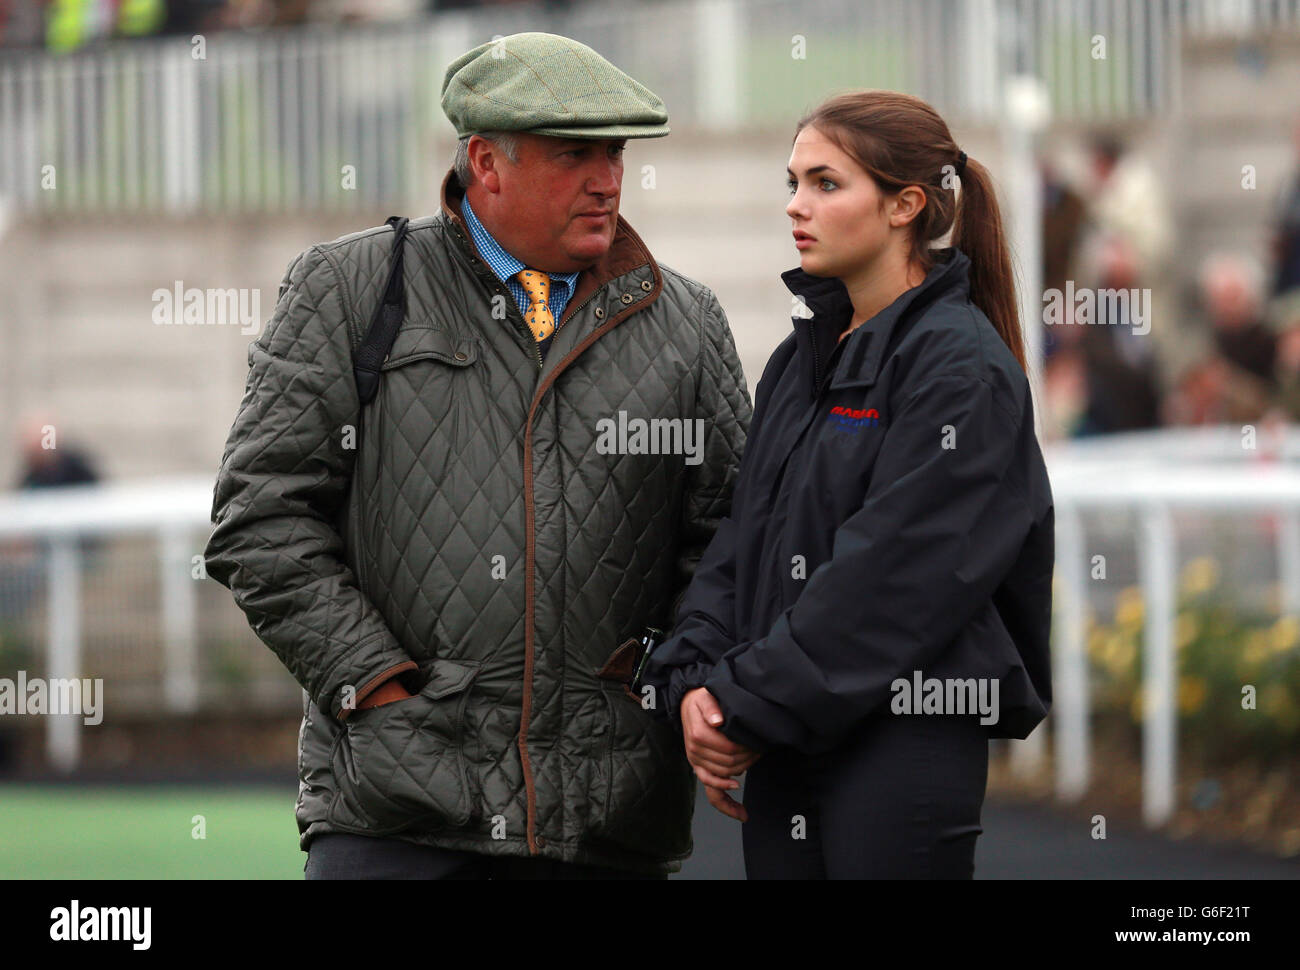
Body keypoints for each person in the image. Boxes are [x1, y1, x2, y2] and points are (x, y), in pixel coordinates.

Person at [204, 32, 751, 879]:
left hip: (606, 828)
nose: (607, 178)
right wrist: (378, 689)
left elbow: (725, 547)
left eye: (615, 153)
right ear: (485, 163)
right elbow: (259, 521)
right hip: (397, 821)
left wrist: (670, 685)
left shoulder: (688, 322)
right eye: (576, 154)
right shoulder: (350, 290)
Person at [642, 90, 1055, 879]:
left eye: (826, 184)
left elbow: (894, 579)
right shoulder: (802, 360)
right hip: (786, 735)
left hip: (898, 744)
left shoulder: (960, 367)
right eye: (792, 183)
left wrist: (743, 702)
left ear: (905, 205)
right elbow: (742, 541)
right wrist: (694, 681)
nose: (797, 206)